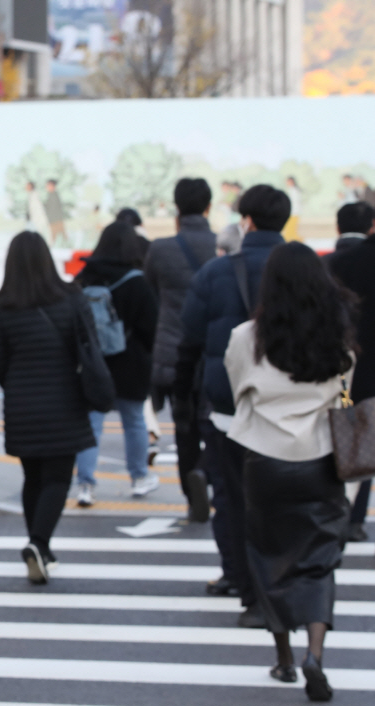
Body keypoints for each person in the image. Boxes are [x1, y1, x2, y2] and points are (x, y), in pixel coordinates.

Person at [224, 242, 354, 701]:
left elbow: (237, 389)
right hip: (321, 458)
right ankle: (314, 655)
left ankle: (283, 660)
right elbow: (344, 391)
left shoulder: (246, 337)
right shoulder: (336, 335)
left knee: (268, 556)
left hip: (265, 459)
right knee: (319, 560)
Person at [177, 184, 290, 627]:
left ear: (247, 221)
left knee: (233, 497)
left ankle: (245, 586)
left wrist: (185, 398)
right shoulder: (305, 269)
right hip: (291, 410)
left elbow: (190, 337)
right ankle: (283, 586)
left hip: (229, 407)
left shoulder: (216, 273)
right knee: (284, 501)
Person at [0, 232, 97, 583]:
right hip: (65, 400)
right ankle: (38, 543)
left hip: (21, 404)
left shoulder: (1, 308)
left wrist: (17, 383)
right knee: (58, 478)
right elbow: (89, 345)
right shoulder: (71, 298)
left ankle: (41, 549)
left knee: (33, 477)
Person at [144, 178, 217, 522]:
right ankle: (206, 471)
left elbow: (152, 297)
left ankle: (191, 497)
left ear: (176, 207)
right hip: (216, 352)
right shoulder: (221, 246)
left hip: (174, 352)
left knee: (184, 427)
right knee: (218, 424)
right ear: (208, 207)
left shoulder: (160, 250)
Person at [73, 221, 159, 504]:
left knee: (92, 425)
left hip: (95, 364)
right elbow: (151, 328)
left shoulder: (86, 277)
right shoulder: (138, 281)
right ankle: (139, 478)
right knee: (134, 422)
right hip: (132, 363)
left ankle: (85, 485)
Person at [327, 213, 375, 543]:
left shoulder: (336, 264)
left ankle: (344, 513)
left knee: (350, 438)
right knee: (365, 440)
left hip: (346, 368)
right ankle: (355, 518)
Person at [45, 180, 67, 245]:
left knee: (60, 236)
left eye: (49, 185)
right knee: (54, 237)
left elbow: (54, 209)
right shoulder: (50, 195)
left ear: (53, 186)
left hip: (56, 220)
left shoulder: (54, 195)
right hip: (54, 220)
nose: (47, 187)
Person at [282, 176, 302, 242]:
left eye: (288, 181)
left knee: (290, 230)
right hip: (293, 213)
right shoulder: (292, 190)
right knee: (289, 230)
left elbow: (293, 202)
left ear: (292, 182)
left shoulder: (294, 191)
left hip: (293, 213)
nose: (287, 183)